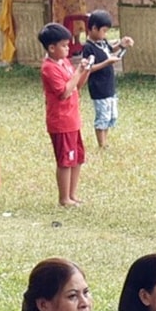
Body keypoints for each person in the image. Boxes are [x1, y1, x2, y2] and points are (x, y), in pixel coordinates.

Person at [38, 22, 91, 207]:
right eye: (64, 45)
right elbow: (64, 92)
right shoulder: (49, 68)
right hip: (61, 122)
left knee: (77, 158)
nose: (68, 49)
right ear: (51, 48)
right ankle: (64, 198)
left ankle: (72, 194)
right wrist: (78, 71)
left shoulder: (65, 62)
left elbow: (77, 86)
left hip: (73, 119)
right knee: (65, 161)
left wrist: (84, 71)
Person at [81, 11, 132, 151]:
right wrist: (106, 63)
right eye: (103, 31)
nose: (105, 34)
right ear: (93, 28)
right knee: (102, 116)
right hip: (99, 88)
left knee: (110, 115)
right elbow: (88, 69)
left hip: (109, 86)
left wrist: (122, 44)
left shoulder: (102, 42)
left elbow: (111, 49)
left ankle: (105, 141)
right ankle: (101, 144)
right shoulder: (88, 48)